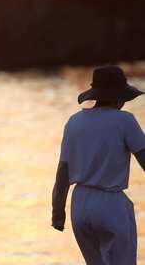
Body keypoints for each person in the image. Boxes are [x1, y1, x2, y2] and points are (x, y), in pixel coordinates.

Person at [52, 65, 145, 265]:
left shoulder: (74, 121)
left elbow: (63, 172)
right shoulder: (125, 120)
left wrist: (58, 211)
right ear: (118, 97)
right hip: (110, 204)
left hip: (80, 205)